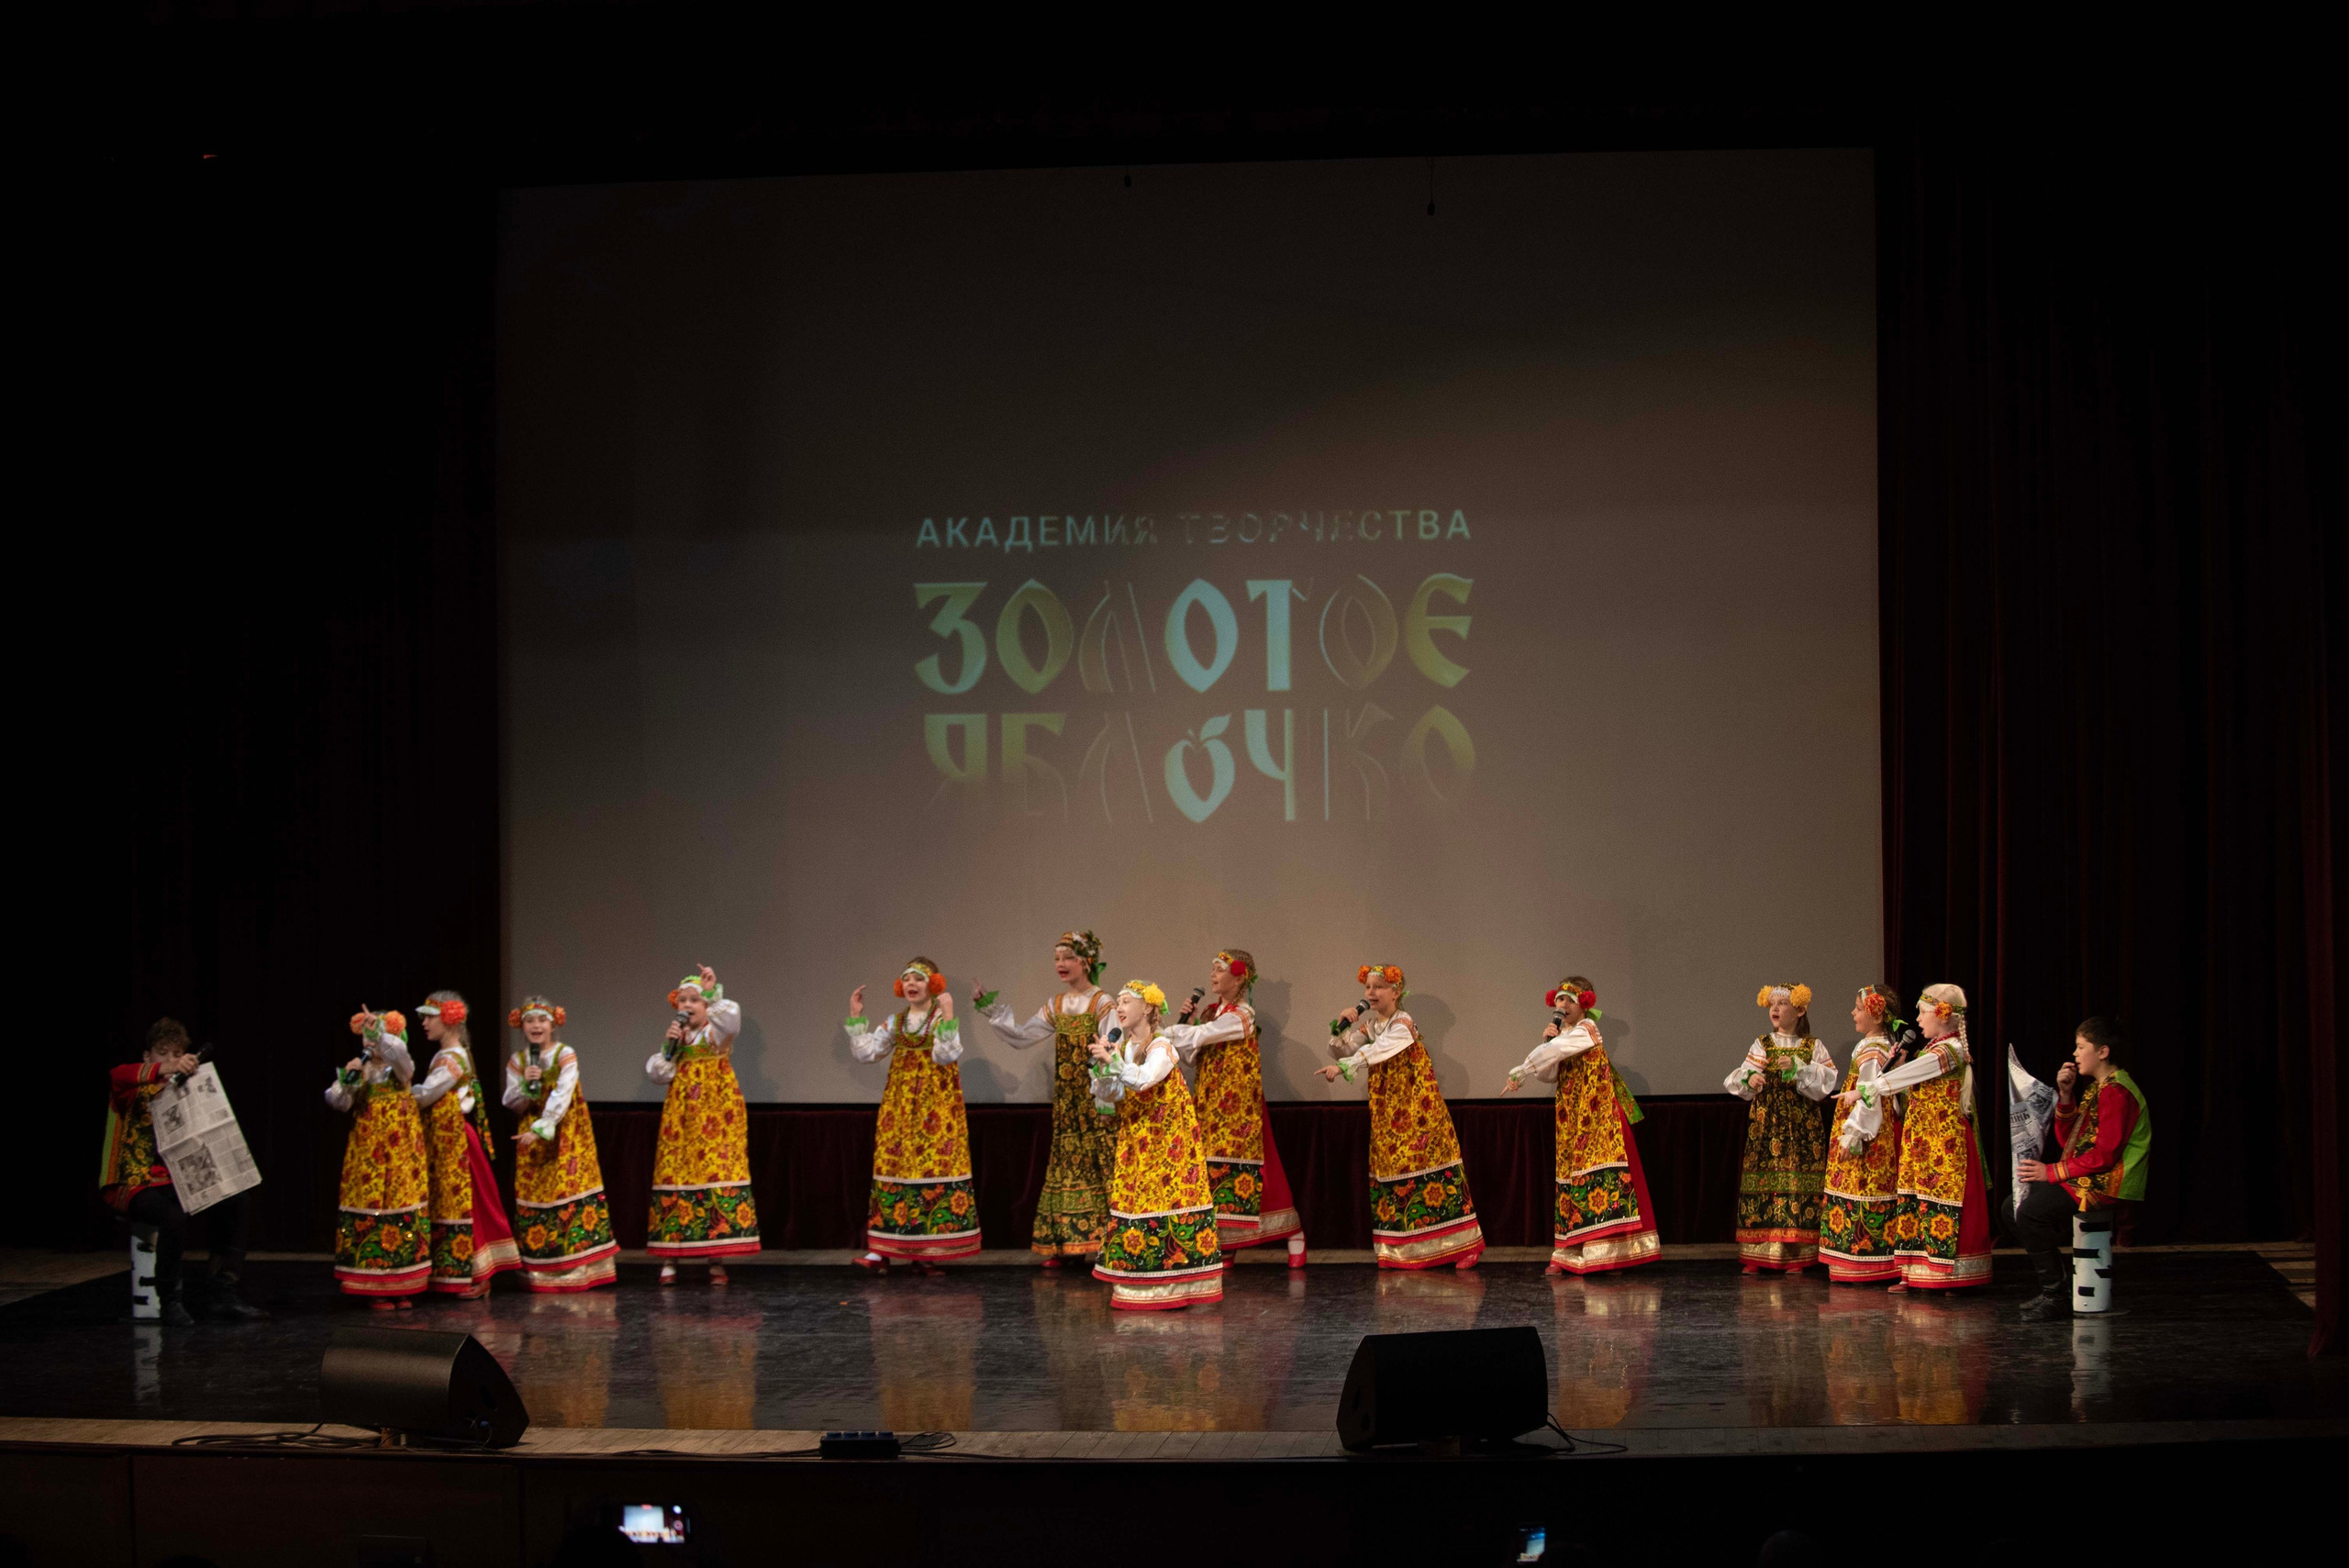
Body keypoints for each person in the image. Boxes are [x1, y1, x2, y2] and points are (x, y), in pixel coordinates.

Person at [1316, 963, 1485, 1270]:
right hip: (1388, 1113)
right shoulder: (1371, 1026)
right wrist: (1340, 1029)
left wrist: (1343, 1069)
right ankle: (1404, 1249)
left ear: (1396, 992)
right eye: (1368, 987)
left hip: (1418, 1111)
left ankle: (1464, 1246)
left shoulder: (1402, 1024)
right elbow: (1343, 1051)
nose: (1371, 992)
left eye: (1379, 987)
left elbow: (1379, 1051)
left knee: (1431, 1170)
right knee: (1393, 1171)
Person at [100, 1018, 263, 1324]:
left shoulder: (182, 1087)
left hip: (173, 1181)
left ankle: (223, 1291)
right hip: (132, 1182)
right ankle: (170, 1300)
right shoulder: (131, 1088)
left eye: (177, 1054)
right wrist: (165, 1068)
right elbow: (116, 1074)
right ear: (148, 1056)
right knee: (172, 1216)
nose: (171, 1060)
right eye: (163, 1053)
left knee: (236, 1199)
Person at [974, 929, 1118, 1266]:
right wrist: (989, 1009)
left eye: (1068, 958)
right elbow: (1023, 1036)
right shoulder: (1057, 1004)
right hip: (1067, 1102)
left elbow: (1112, 1048)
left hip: (1094, 1099)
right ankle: (1067, 1244)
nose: (1061, 964)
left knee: (1100, 1163)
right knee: (1066, 1167)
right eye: (1057, 959)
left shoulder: (1102, 1003)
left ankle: (1108, 1242)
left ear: (1087, 962)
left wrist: (1106, 1098)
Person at [1502, 974, 1659, 1274]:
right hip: (1573, 1119)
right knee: (1572, 1179)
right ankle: (1569, 1252)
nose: (1562, 1005)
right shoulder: (1563, 1036)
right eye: (1559, 999)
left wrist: (1521, 1070)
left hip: (1598, 1118)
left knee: (1601, 1178)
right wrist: (1546, 1043)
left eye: (1569, 1000)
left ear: (1584, 1003)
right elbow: (1549, 1073)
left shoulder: (1587, 1029)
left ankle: (1608, 1254)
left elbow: (1556, 1052)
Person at [1844, 982, 1992, 1291]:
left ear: (1942, 1015)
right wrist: (1900, 1065)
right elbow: (1914, 1080)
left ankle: (1948, 1274)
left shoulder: (1950, 1051)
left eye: (1923, 1012)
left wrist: (1866, 1089)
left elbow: (1914, 1074)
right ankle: (1915, 1272)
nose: (1918, 1019)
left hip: (1944, 1142)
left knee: (1942, 1201)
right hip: (1924, 1140)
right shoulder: (1933, 1049)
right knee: (1914, 1201)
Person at [1164, 949, 1308, 1265]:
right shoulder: (1210, 1013)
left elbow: (1203, 1036)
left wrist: (1167, 1032)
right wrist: (1188, 1022)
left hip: (1239, 1110)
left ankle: (1292, 1232)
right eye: (1213, 968)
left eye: (1220, 969)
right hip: (1209, 1107)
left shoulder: (1242, 1015)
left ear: (1239, 978)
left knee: (1258, 1172)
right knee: (1212, 1173)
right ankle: (1227, 1242)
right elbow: (1191, 1056)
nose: (1213, 974)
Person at [1088, 980, 1223, 1309]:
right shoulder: (1123, 1047)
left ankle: (1175, 1285)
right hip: (1138, 1139)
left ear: (1147, 1008)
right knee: (1137, 1199)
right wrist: (1105, 1066)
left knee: (1170, 1197)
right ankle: (1138, 1284)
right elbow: (1112, 1094)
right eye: (1118, 1002)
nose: (1119, 1008)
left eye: (1126, 1002)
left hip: (1168, 1142)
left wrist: (1115, 1062)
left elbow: (1145, 1080)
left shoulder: (1161, 1046)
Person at [846, 958, 980, 1272]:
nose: (911, 984)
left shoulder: (939, 1020)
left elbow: (947, 1055)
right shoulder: (895, 1022)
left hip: (935, 1108)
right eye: (906, 979)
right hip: (901, 1108)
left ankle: (927, 1250)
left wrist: (948, 1015)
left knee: (930, 1170)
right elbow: (867, 1053)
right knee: (894, 1167)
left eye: (918, 979)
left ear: (933, 984)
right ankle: (881, 1251)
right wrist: (856, 1016)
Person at [2013, 1017, 2152, 1321]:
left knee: (2030, 1212)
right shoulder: (2100, 1088)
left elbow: (2104, 1156)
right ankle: (2056, 1287)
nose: (2075, 1054)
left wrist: (2051, 1172)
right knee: (2014, 1205)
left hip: (2108, 1182)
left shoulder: (2117, 1091)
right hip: (2092, 1176)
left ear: (2102, 1052)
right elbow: (2072, 1142)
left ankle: (2055, 1295)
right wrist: (2065, 1094)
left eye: (2080, 1047)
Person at [644, 963, 760, 1283]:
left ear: (707, 1004)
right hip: (681, 1117)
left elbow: (731, 1020)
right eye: (683, 1000)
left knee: (715, 1173)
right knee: (675, 1174)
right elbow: (658, 1074)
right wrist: (669, 1048)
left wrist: (712, 992)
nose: (688, 1005)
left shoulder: (715, 1033)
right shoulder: (678, 1038)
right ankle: (670, 1258)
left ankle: (715, 1257)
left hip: (716, 1116)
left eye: (695, 1000)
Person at [504, 995, 619, 1292]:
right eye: (530, 1021)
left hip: (565, 1130)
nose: (536, 1026)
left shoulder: (564, 1054)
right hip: (532, 1131)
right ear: (522, 1026)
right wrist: (526, 1086)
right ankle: (540, 1269)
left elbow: (564, 1092)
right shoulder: (518, 1061)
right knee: (536, 1191)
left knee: (568, 1188)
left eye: (542, 1020)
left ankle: (578, 1266)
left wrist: (544, 1126)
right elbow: (511, 1101)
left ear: (553, 1024)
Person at [412, 991, 520, 1297]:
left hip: (456, 1141)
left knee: (466, 1204)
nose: (424, 1023)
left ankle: (477, 1275)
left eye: (430, 1017)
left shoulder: (453, 1058)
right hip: (445, 1139)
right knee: (453, 1202)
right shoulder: (446, 1055)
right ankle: (457, 1272)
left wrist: (398, 1093)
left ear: (448, 1019)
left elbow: (426, 1095)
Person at [1723, 983, 1837, 1273]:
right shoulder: (1762, 1044)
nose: (1775, 1009)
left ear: (1799, 1010)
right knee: (1766, 1182)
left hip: (1802, 1127)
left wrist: (1800, 1068)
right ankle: (1759, 1253)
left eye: (1782, 1004)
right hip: (1767, 1125)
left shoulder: (1813, 1046)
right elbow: (1742, 1074)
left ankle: (1796, 1254)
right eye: (1772, 1004)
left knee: (1797, 1184)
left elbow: (1827, 1081)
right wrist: (1750, 1079)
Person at [327, 1007, 432, 1307]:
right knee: (371, 1205)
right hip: (368, 1154)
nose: (370, 1042)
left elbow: (399, 1055)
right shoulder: (361, 1069)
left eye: (377, 1035)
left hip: (400, 1153)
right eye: (366, 1036)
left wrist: (379, 1034)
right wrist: (348, 1080)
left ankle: (403, 1284)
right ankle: (375, 1286)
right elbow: (337, 1101)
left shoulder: (400, 1067)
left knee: (402, 1202)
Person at [1818, 985, 1911, 1284]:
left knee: (1865, 1183)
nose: (1853, 1013)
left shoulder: (1874, 1050)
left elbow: (1871, 1097)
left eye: (1858, 1009)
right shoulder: (1875, 1045)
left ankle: (1867, 1264)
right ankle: (1863, 1262)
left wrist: (1853, 1135)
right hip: (1873, 1127)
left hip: (1871, 1132)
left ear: (1877, 1015)